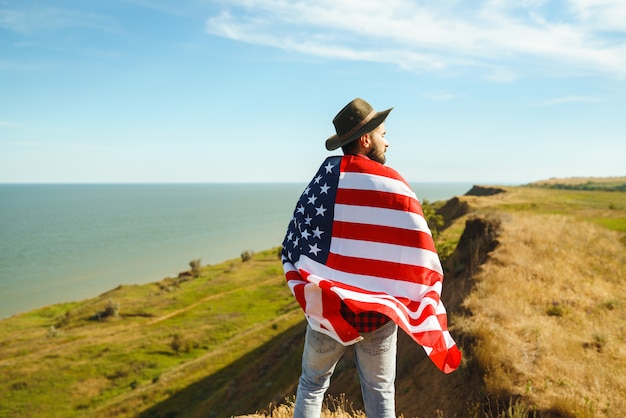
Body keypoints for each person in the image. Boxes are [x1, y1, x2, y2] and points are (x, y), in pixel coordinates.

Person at [281, 98, 461, 418]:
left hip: (329, 308)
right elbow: (417, 247)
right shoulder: (392, 183)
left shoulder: (322, 181)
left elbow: (298, 237)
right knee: (380, 393)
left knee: (312, 384)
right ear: (366, 139)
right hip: (377, 316)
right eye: (383, 134)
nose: (387, 141)